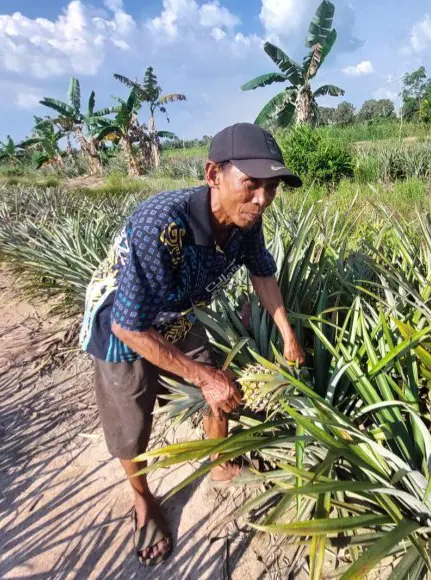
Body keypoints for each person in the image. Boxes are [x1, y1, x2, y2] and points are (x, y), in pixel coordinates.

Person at [78, 122, 306, 566]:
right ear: (212, 175)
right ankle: (143, 499)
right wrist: (201, 375)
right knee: (131, 423)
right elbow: (131, 325)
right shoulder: (161, 223)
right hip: (123, 324)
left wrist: (289, 336)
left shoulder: (245, 220)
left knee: (216, 392)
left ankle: (218, 461)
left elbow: (261, 273)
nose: (262, 199)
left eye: (272, 188)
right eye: (251, 184)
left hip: (177, 314)